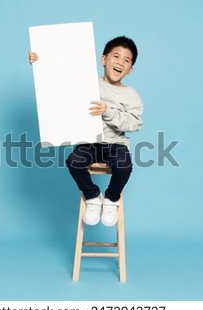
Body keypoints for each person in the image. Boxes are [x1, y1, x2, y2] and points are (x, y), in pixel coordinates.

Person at [29, 36, 143, 226]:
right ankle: (93, 195)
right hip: (88, 142)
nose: (120, 62)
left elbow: (134, 123)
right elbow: (60, 76)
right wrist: (40, 61)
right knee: (73, 161)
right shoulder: (87, 82)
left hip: (115, 144)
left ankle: (111, 199)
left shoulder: (131, 95)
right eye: (116, 56)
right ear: (104, 59)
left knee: (124, 166)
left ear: (130, 70)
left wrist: (108, 111)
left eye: (126, 60)